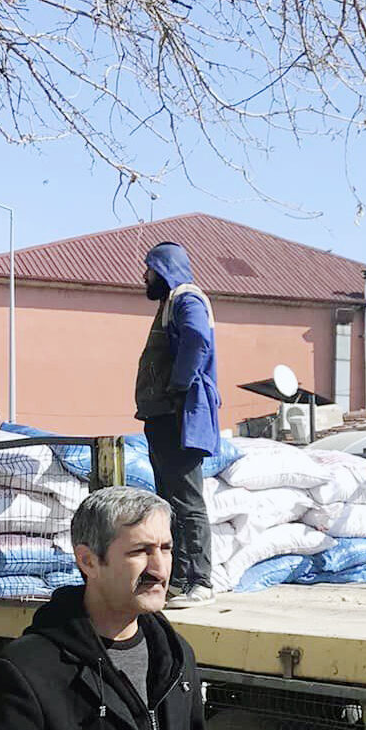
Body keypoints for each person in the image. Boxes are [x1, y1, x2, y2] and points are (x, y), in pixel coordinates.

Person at [0, 487, 284, 730]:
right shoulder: (27, 670)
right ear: (88, 561)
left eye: (166, 548)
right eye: (140, 552)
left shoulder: (175, 658)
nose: (159, 569)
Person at [135, 242, 222, 609]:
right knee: (170, 501)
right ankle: (181, 578)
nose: (145, 277)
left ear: (164, 269)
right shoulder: (170, 302)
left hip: (178, 416)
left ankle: (201, 580)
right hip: (163, 416)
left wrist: (178, 386)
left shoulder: (186, 299)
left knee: (187, 500)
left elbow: (198, 339)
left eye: (150, 269)